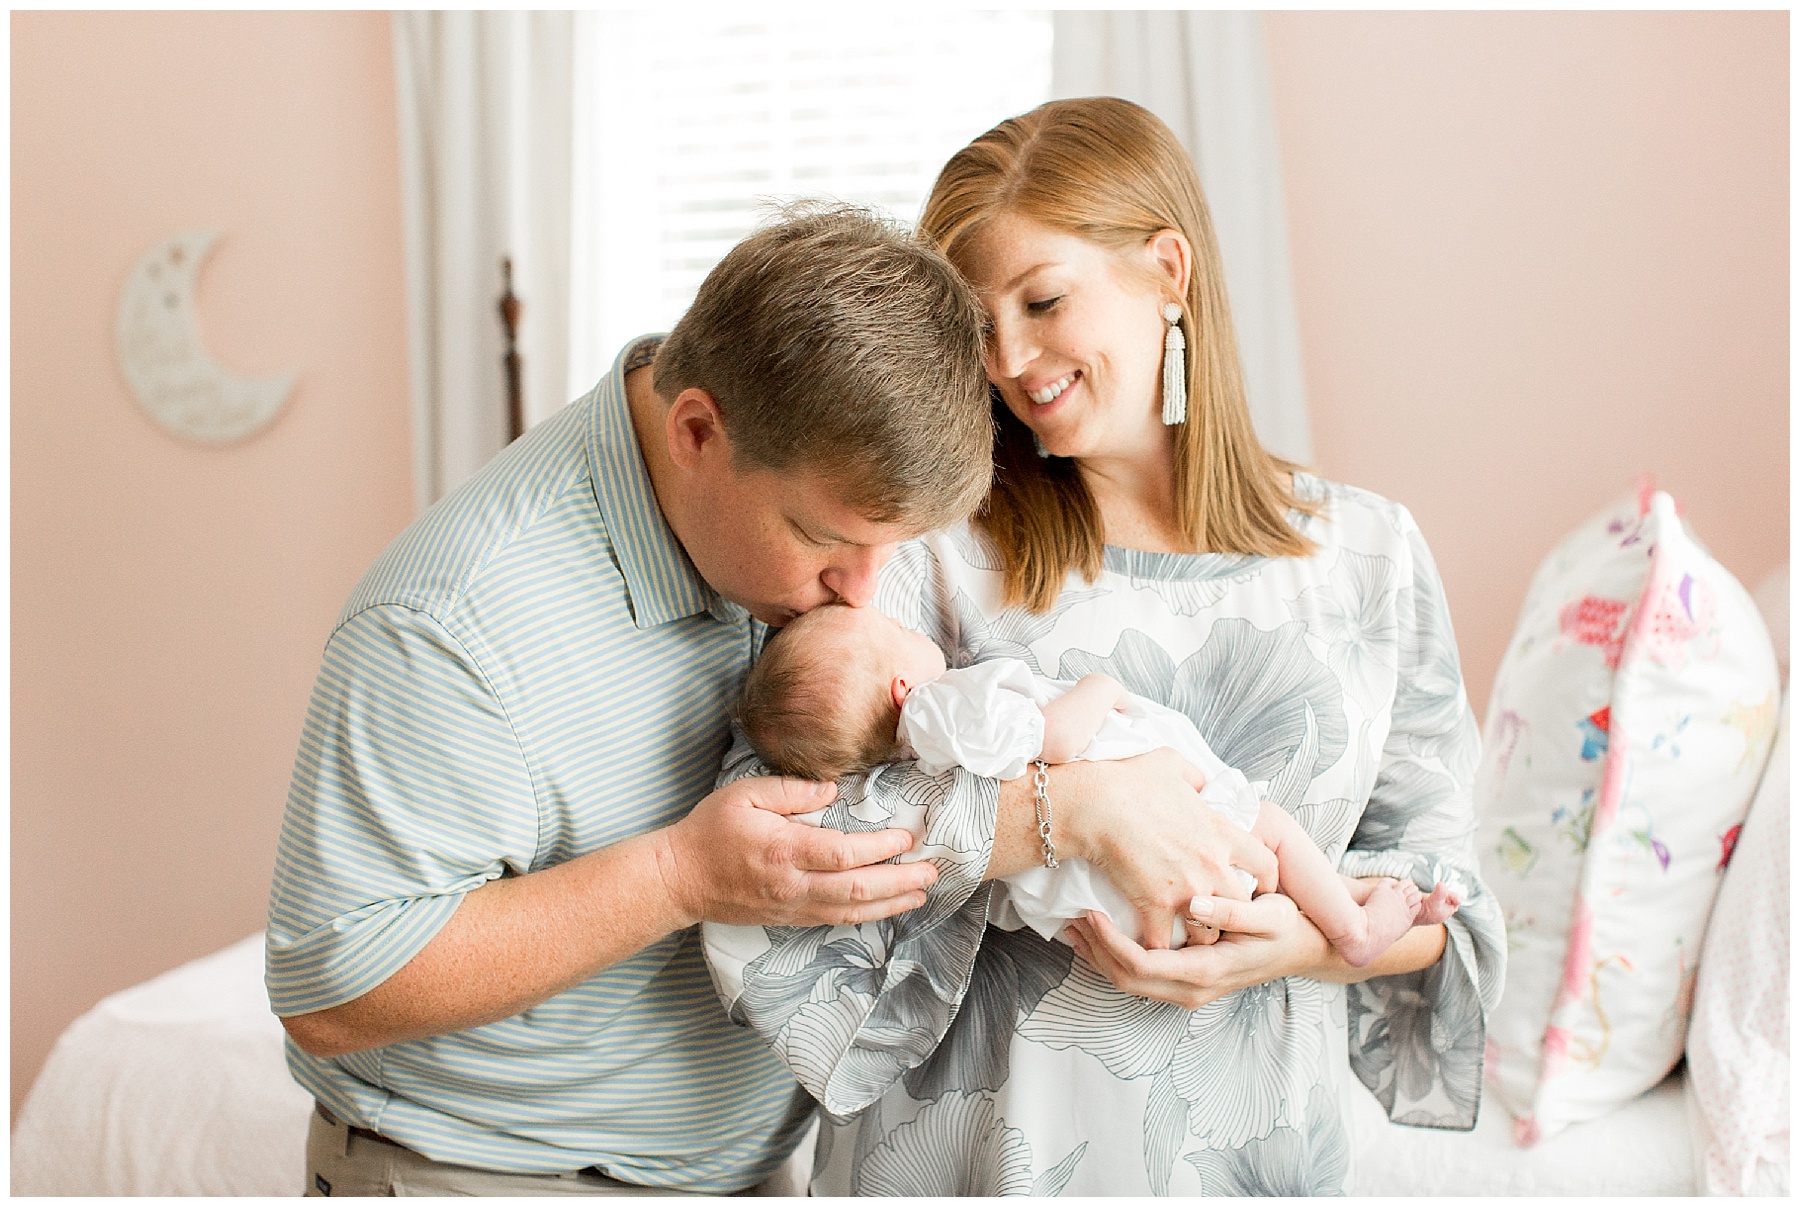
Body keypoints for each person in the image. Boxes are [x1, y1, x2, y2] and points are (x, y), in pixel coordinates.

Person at [701, 99, 1506, 1196]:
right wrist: (1067, 814)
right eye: (979, 326)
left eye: (1043, 301)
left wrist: (1294, 942)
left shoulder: (1369, 555)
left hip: (1259, 1159)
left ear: (1168, 270)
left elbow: (1443, 893)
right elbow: (776, 850)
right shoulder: (926, 556)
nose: (1013, 359)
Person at [263, 206, 996, 1196]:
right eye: (825, 540)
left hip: (754, 1172)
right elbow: (333, 984)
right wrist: (676, 877)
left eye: (892, 545)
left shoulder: (821, 517)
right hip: (492, 1178)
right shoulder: (451, 618)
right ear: (695, 429)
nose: (866, 590)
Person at [733, 601, 1460, 961]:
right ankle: (1356, 927)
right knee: (1272, 830)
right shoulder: (942, 707)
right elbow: (1054, 738)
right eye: (894, 630)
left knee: (1272, 869)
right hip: (1159, 858)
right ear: (899, 685)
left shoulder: (923, 750)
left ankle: (1359, 904)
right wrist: (1099, 688)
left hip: (1124, 914)